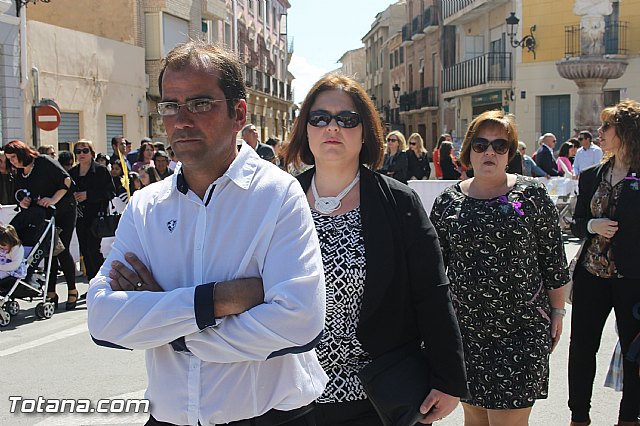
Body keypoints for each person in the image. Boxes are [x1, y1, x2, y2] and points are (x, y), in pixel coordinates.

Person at [86, 40, 327, 426]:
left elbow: (298, 322)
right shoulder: (145, 206)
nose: (181, 119)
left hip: (269, 417)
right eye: (170, 105)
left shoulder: (279, 195)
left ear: (238, 113)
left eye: (200, 103)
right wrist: (215, 301)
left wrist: (168, 326)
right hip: (169, 417)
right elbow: (102, 319)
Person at [285, 72, 468, 426]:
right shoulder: (280, 199)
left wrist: (447, 381)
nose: (332, 128)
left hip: (379, 393)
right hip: (292, 391)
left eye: (347, 119)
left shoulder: (398, 201)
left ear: (365, 130)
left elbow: (432, 293)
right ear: (306, 129)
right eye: (320, 118)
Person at [430, 110, 569, 426]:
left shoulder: (528, 195)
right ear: (468, 151)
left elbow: (553, 259)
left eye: (499, 145)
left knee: (508, 421)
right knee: (475, 419)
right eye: (480, 145)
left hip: (520, 330)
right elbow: (435, 268)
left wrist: (558, 311)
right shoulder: (449, 201)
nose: (489, 152)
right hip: (466, 332)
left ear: (511, 152)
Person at [568, 99, 640, 426]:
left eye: (606, 127)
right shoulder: (590, 176)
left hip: (632, 278)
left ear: (624, 132)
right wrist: (590, 226)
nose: (599, 132)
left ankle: (628, 418)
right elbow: (575, 221)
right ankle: (579, 416)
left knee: (633, 353)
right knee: (582, 348)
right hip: (591, 274)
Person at [4, 140, 77, 310]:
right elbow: (21, 196)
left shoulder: (43, 162)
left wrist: (52, 200)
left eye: (14, 157)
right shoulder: (20, 173)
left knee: (61, 249)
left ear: (22, 153)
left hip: (63, 209)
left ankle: (72, 289)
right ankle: (50, 291)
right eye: (9, 159)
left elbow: (66, 181)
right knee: (46, 250)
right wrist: (23, 203)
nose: (12, 162)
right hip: (41, 215)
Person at [69, 140, 115, 286]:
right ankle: (91, 282)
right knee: (84, 249)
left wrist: (88, 195)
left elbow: (110, 192)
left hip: (96, 216)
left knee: (93, 249)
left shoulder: (100, 171)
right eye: (78, 151)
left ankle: (101, 281)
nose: (81, 154)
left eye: (85, 151)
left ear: (92, 153)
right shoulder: (72, 173)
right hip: (79, 216)